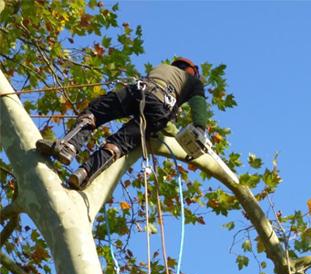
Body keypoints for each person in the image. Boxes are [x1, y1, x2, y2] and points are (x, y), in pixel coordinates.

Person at [36, 57, 208, 190]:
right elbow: (198, 104)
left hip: (138, 90)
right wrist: (199, 128)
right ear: (192, 71)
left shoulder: (161, 68)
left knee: (95, 113)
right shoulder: (193, 82)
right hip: (161, 108)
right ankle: (84, 174)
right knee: (119, 144)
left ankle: (69, 146)